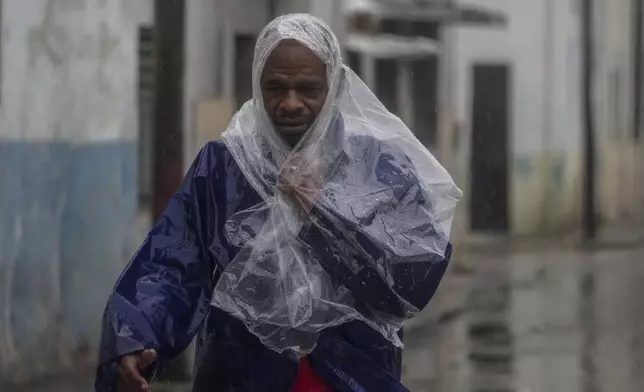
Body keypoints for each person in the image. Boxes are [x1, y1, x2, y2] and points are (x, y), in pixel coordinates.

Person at [95, 14, 461, 392]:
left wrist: (322, 216)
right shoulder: (226, 167)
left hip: (351, 375)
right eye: (275, 88)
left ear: (333, 88)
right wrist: (136, 334)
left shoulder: (375, 168)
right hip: (244, 375)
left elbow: (413, 276)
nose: (290, 103)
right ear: (257, 86)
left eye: (308, 89)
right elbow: (173, 262)